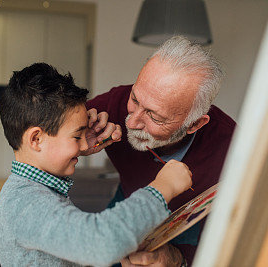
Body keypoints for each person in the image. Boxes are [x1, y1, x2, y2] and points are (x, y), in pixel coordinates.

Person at [0, 62, 193, 267]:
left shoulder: (32, 190)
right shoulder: (25, 203)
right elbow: (101, 244)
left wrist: (75, 142)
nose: (82, 145)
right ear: (36, 139)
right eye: (76, 136)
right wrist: (163, 187)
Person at [86, 36, 236, 266]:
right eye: (135, 100)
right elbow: (49, 130)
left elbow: (226, 243)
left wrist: (177, 259)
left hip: (189, 223)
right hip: (130, 196)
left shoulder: (231, 151)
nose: (132, 122)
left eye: (154, 116)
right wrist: (76, 142)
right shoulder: (116, 104)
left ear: (194, 124)